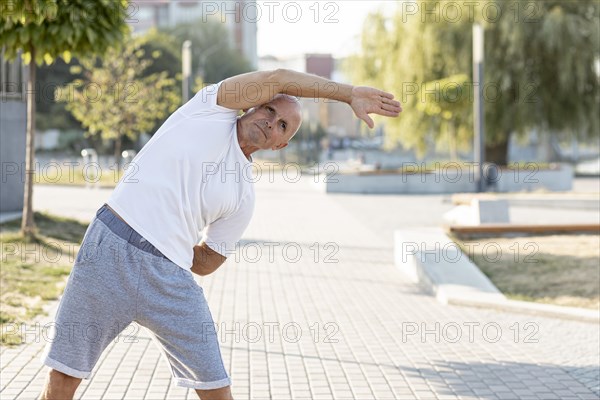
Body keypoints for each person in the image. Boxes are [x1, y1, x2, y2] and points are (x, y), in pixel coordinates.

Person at [38, 69, 402, 400]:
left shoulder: (244, 195)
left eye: (282, 127)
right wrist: (348, 93)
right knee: (63, 381)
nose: (270, 123)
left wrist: (171, 248)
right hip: (109, 250)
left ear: (280, 145)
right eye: (269, 111)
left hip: (170, 279)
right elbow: (279, 77)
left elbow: (209, 260)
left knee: (215, 387)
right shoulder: (210, 108)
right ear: (251, 105)